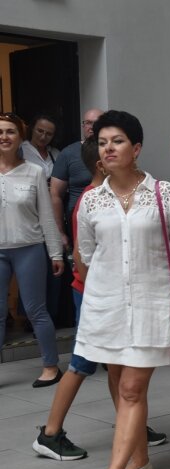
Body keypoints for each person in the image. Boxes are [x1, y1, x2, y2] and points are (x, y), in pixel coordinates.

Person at [75, 110, 170, 469]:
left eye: (118, 140)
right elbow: (87, 255)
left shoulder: (162, 192)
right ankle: (139, 460)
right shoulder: (91, 200)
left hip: (149, 302)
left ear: (136, 148)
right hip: (104, 305)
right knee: (117, 381)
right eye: (103, 141)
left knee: (130, 388)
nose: (108, 147)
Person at [32, 137, 167, 461]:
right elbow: (84, 259)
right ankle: (51, 433)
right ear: (101, 164)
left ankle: (130, 422)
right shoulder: (91, 201)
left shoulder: (108, 198)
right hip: (93, 294)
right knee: (81, 364)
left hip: (105, 294)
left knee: (116, 367)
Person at [0, 112, 64, 387]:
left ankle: (51, 366)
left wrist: (55, 253)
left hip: (29, 249)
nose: (4, 137)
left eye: (10, 132)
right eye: (0, 132)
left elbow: (46, 217)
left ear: (20, 137)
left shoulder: (34, 171)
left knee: (36, 310)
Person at [50, 108, 103, 251]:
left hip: (110, 218)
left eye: (97, 123)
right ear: (83, 126)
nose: (92, 127)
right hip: (78, 220)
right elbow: (55, 195)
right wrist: (60, 232)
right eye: (88, 123)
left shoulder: (112, 151)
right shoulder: (68, 153)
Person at [21, 115, 59, 179]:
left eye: (49, 134)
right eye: (40, 131)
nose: (43, 137)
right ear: (32, 129)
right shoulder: (20, 150)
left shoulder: (56, 153)